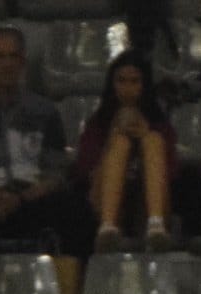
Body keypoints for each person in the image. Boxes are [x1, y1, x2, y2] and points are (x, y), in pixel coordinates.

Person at [0, 25, 95, 266]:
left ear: (22, 62)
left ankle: (71, 289)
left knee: (75, 207)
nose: (7, 64)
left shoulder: (44, 111)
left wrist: (21, 199)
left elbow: (56, 172)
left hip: (30, 199)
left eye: (13, 56)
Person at [75, 49, 177, 250]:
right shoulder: (98, 123)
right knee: (121, 141)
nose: (127, 88)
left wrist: (145, 134)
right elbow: (84, 170)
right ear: (112, 85)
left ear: (144, 85)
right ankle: (107, 226)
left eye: (134, 81)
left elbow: (172, 172)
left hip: (147, 202)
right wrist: (113, 135)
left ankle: (155, 225)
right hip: (103, 198)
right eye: (121, 81)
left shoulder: (160, 125)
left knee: (153, 139)